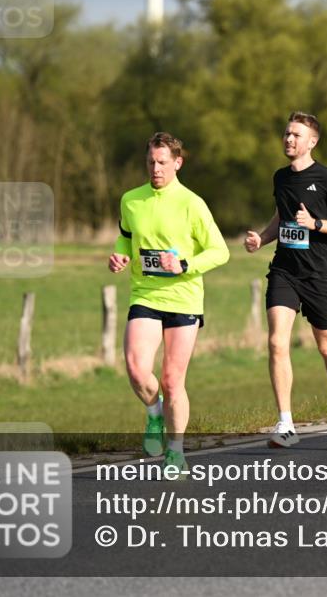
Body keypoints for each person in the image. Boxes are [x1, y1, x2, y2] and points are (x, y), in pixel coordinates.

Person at [108, 132, 230, 473]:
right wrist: (120, 256)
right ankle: (154, 413)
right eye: (151, 161)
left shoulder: (192, 203)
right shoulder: (131, 200)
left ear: (178, 163)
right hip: (145, 294)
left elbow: (220, 251)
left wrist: (184, 265)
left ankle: (175, 452)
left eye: (162, 162)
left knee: (173, 381)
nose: (155, 168)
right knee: (136, 370)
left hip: (183, 299)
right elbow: (125, 237)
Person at [244, 112, 327, 450]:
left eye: (296, 135)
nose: (289, 139)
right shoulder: (280, 178)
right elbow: (280, 217)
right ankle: (285, 423)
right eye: (286, 133)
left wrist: (316, 224)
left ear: (312, 142)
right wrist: (262, 239)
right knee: (276, 342)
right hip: (285, 271)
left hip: (320, 274)